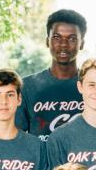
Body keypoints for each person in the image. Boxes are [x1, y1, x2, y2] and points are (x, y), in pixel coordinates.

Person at [18, 9, 88, 140]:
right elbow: (16, 138)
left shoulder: (93, 88)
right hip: (41, 160)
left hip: (82, 160)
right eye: (56, 37)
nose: (63, 44)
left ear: (82, 44)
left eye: (72, 38)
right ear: (47, 41)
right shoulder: (26, 87)